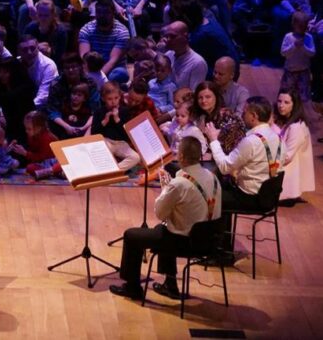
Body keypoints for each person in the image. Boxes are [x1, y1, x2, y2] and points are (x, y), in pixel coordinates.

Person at [109, 136, 221, 300]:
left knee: (132, 235)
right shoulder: (212, 176)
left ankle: (132, 287)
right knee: (165, 228)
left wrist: (166, 190)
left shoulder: (179, 184)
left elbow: (160, 213)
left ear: (181, 156)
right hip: (210, 240)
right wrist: (170, 189)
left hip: (186, 243)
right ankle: (170, 284)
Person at [205, 96, 283, 259]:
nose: (242, 114)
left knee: (211, 196)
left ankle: (217, 252)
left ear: (254, 116)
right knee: (220, 188)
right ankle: (222, 246)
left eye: (245, 112)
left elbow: (224, 167)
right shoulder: (276, 136)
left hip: (250, 197)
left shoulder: (252, 141)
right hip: (269, 196)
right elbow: (283, 159)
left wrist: (213, 140)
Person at [272, 89, 314, 204]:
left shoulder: (296, 127)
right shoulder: (285, 120)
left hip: (287, 173)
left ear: (294, 104)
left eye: (286, 102)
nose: (281, 105)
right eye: (279, 101)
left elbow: (287, 157)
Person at [78, 0, 131, 86]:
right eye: (99, 12)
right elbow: (84, 57)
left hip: (112, 70)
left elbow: (113, 61)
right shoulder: (86, 29)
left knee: (120, 73)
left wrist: (98, 79)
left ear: (113, 13)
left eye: (106, 12)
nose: (102, 15)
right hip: (91, 69)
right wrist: (90, 77)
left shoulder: (122, 31)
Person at [161, 21, 208, 91]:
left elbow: (194, 94)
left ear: (185, 36)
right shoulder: (168, 55)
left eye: (173, 36)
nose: (168, 40)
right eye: (167, 36)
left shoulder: (198, 63)